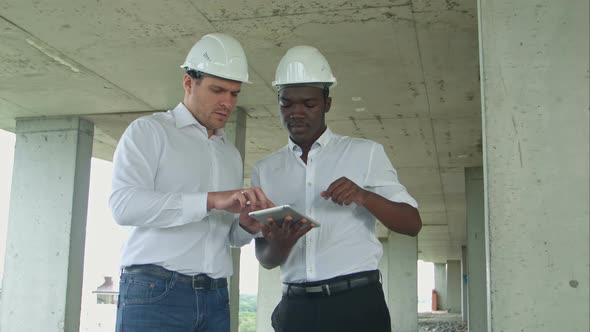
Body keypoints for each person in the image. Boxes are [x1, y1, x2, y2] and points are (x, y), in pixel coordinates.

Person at [251, 45, 422, 332]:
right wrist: (280, 245)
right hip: (296, 310)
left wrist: (364, 196)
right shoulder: (265, 170)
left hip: (357, 306)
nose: (296, 112)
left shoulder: (365, 153)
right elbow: (265, 258)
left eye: (309, 104)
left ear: (327, 103)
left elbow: (411, 224)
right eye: (287, 103)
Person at [110, 33, 270, 332]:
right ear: (188, 83)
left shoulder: (229, 154)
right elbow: (123, 206)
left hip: (217, 295)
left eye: (234, 93)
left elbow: (229, 237)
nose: (227, 102)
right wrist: (210, 199)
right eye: (218, 90)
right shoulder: (149, 131)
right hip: (155, 292)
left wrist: (247, 225)